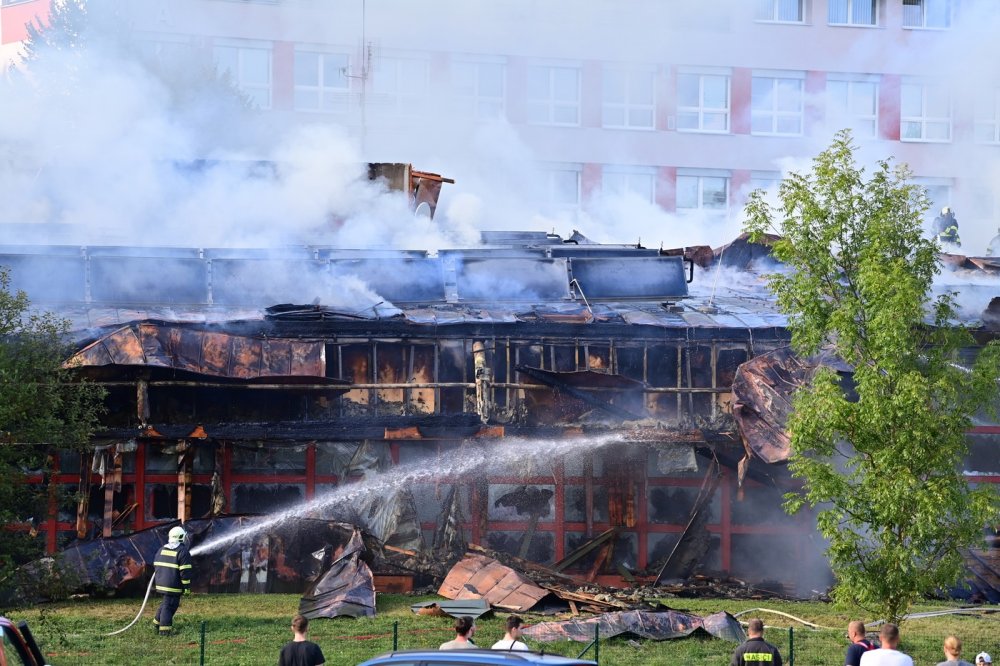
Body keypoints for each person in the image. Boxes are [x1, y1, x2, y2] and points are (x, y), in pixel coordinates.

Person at [153, 525, 193, 636]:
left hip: (161, 583)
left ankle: (156, 623)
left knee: (165, 603)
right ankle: (164, 631)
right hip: (173, 585)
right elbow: (185, 572)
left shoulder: (162, 549)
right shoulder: (182, 551)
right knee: (169, 606)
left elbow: (156, 564)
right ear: (181, 537)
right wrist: (187, 588)